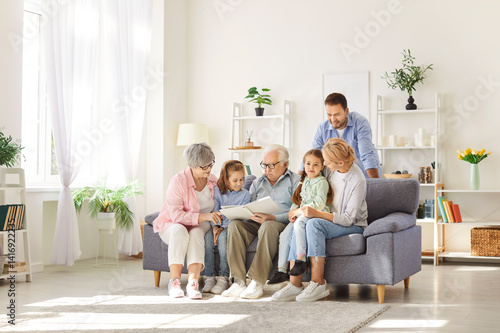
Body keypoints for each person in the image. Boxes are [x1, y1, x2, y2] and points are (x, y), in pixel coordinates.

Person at [272, 138, 368, 302]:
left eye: (327, 162)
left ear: (340, 161)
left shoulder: (357, 180)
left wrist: (315, 213)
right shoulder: (332, 170)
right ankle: (295, 284)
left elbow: (347, 219)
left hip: (352, 225)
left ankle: (318, 283)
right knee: (300, 222)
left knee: (313, 223)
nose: (325, 165)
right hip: (329, 219)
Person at [222, 144, 300, 299]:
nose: (267, 170)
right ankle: (238, 281)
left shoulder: (295, 181)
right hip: (256, 221)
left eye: (271, 165)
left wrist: (272, 217)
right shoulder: (258, 182)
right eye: (264, 165)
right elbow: (249, 204)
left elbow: (296, 211)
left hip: (278, 222)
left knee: (268, 226)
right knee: (235, 226)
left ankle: (257, 282)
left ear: (285, 164)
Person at [153, 143, 222, 299]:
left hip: (200, 224)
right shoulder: (178, 181)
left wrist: (217, 223)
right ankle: (174, 281)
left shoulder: (213, 180)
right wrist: (205, 217)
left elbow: (219, 206)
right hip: (172, 223)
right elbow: (176, 216)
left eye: (211, 164)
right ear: (192, 165)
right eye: (204, 167)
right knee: (180, 231)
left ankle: (193, 283)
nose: (209, 169)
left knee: (197, 233)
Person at [269, 149, 333, 284]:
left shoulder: (321, 182)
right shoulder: (304, 181)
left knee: (299, 224)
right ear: (303, 165)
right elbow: (299, 201)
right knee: (285, 234)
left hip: (315, 215)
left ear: (322, 166)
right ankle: (281, 269)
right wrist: (292, 213)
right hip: (301, 214)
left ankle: (301, 259)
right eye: (308, 164)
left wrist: (298, 212)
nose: (311, 167)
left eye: (316, 164)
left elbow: (319, 204)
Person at [202, 160, 251, 295]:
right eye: (235, 180)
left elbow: (243, 217)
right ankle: (210, 277)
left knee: (223, 239)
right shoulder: (217, 191)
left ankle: (224, 277)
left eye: (241, 179)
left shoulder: (245, 195)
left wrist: (223, 228)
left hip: (232, 227)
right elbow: (214, 210)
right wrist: (215, 226)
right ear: (226, 179)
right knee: (207, 239)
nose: (239, 183)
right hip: (217, 224)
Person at [308, 92, 382, 178]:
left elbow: (366, 154)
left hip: (363, 175)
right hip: (338, 177)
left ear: (346, 111)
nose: (333, 119)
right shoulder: (323, 127)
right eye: (329, 115)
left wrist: (375, 184)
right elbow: (312, 154)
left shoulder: (360, 123)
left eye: (337, 114)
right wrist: (300, 180)